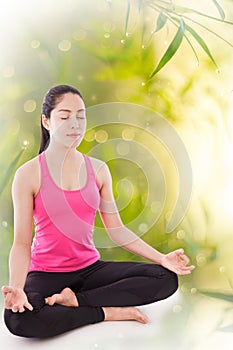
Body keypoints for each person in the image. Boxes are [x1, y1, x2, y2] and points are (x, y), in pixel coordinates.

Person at [2, 84, 195, 338]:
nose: (75, 124)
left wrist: (161, 258)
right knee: (18, 319)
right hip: (46, 274)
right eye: (65, 116)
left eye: (81, 117)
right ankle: (106, 311)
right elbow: (22, 243)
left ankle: (77, 300)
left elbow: (116, 230)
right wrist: (18, 287)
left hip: (90, 269)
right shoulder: (28, 174)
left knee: (166, 279)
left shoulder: (98, 169)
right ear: (46, 121)